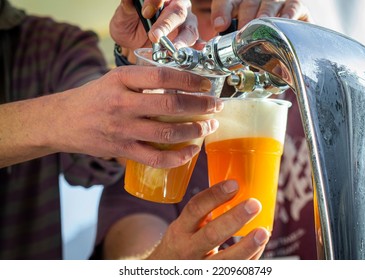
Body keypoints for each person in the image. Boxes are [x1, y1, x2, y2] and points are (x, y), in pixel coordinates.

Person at [92, 0, 365, 260]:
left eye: (245, 8)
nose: (233, 27)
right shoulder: (147, 138)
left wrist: (317, 53)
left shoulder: (312, 96)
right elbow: (130, 253)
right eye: (210, 10)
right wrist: (168, 262)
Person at [0, 0, 229, 259]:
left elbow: (97, 155)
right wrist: (62, 115)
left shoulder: (58, 43)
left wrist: (137, 59)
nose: (225, 28)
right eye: (207, 10)